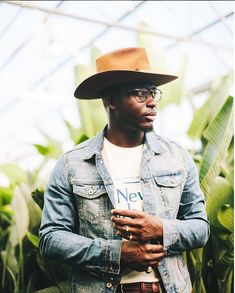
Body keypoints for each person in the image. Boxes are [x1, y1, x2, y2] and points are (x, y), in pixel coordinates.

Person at [39, 47, 210, 293]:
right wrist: (115, 254)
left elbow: (200, 228)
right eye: (140, 93)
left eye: (153, 92)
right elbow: (51, 238)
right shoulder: (72, 164)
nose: (152, 101)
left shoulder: (176, 158)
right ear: (111, 101)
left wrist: (161, 229)